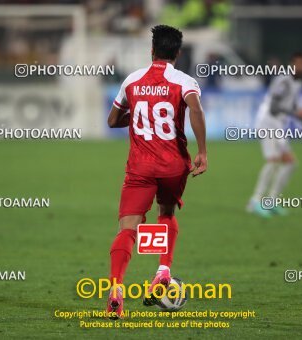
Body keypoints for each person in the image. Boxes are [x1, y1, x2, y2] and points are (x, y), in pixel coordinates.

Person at [106, 25, 207, 318]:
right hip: (174, 165)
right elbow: (196, 109)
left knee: (128, 227)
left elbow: (113, 120)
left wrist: (142, 116)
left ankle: (116, 290)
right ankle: (162, 271)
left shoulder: (132, 80)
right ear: (178, 52)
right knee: (167, 213)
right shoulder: (184, 81)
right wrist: (202, 151)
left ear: (151, 51)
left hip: (139, 167)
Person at [247, 52, 302, 218]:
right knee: (273, 161)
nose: (301, 67)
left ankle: (271, 201)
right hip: (267, 122)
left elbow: (293, 106)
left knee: (290, 163)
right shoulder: (284, 80)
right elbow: (274, 108)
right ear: (292, 64)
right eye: (298, 64)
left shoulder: (297, 83)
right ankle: (255, 201)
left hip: (278, 125)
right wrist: (296, 115)